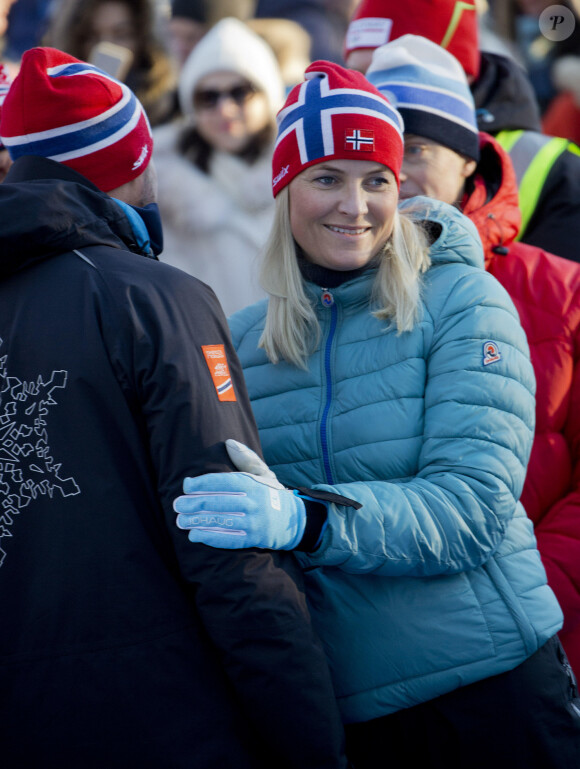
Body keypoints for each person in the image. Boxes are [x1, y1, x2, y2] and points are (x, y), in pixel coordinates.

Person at [172, 59, 580, 769]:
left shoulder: (462, 301)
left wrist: (307, 518)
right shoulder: (243, 341)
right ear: (285, 189)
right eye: (327, 177)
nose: (353, 205)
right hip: (352, 712)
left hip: (492, 692)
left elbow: (473, 507)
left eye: (376, 180)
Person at [0, 46, 348, 769]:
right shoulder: (153, 298)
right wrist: (311, 736)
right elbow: (227, 537)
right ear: (127, 165)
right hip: (166, 718)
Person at [365, 32, 580, 678]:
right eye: (380, 151)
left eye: (418, 148)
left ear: (469, 162)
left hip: (538, 646)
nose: (395, 171)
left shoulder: (563, 294)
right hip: (384, 661)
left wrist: (526, 587)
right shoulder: (318, 299)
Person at [343, 0, 580, 264]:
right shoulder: (347, 142)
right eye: (357, 74)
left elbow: (560, 296)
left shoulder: (551, 167)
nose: (369, 90)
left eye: (392, 66)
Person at [153, 17, 285, 315]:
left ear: (268, 96)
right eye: (208, 97)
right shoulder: (161, 188)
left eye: (240, 92)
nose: (225, 109)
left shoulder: (306, 174)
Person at [43, 0, 176, 125]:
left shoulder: (172, 109)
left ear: (142, 40)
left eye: (121, 34)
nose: (106, 45)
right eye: (93, 37)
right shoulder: (56, 114)